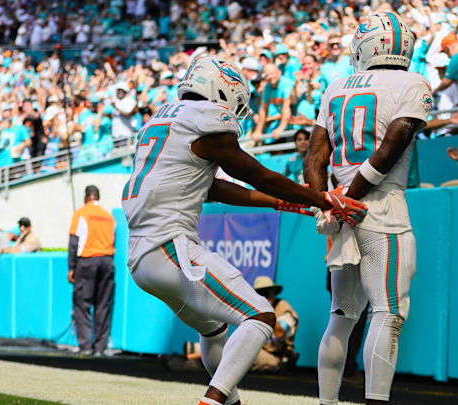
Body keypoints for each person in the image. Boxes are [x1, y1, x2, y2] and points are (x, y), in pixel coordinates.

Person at [122, 55, 367, 405]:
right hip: (169, 245)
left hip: (141, 257)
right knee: (260, 315)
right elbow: (252, 172)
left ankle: (231, 403)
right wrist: (321, 198)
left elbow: (212, 188)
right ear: (224, 89)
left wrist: (279, 202)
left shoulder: (162, 118)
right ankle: (212, 401)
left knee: (213, 329)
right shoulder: (208, 118)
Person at [304, 12, 432, 405]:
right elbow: (392, 145)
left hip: (342, 213)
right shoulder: (412, 82)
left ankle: (327, 402)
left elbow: (314, 156)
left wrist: (326, 200)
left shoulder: (336, 86)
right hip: (380, 207)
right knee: (388, 312)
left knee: (341, 316)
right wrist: (350, 195)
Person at [68, 185, 116, 357]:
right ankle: (100, 348)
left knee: (82, 304)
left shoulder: (80, 213)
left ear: (86, 196)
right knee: (102, 305)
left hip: (87, 261)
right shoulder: (109, 217)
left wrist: (71, 268)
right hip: (107, 261)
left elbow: (74, 242)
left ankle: (86, 346)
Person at [250, 276, 299, 373]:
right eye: (260, 293)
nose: (265, 296)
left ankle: (281, 364)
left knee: (252, 357)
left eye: (267, 292)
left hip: (277, 353)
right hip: (259, 350)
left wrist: (266, 312)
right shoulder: (252, 310)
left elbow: (280, 333)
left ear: (273, 293)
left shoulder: (282, 307)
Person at [252, 63, 294, 143]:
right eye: (267, 75)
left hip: (298, 123)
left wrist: (280, 128)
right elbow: (263, 110)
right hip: (288, 125)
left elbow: (286, 107)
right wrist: (258, 131)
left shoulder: (286, 83)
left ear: (279, 72)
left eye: (272, 74)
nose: (270, 77)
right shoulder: (267, 87)